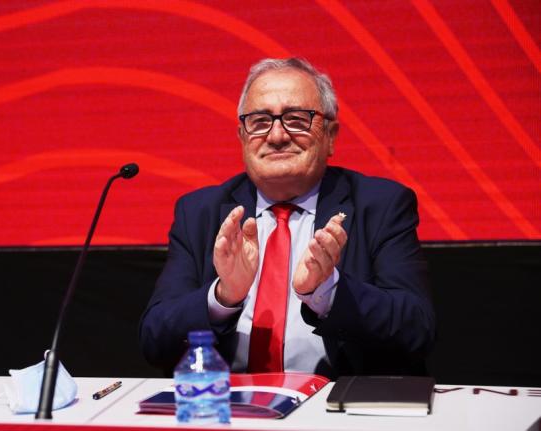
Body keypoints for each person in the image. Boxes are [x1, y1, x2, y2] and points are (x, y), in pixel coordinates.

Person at [139, 57, 435, 378]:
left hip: (334, 410)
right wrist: (223, 297)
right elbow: (155, 339)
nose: (277, 135)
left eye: (296, 119)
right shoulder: (200, 212)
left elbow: (416, 330)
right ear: (242, 135)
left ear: (331, 135)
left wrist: (328, 292)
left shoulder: (380, 205)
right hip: (229, 410)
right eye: (260, 120)